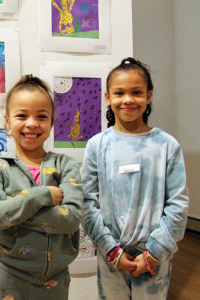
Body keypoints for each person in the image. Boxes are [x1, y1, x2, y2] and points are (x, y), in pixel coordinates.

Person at [81, 57, 189, 300]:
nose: (128, 99)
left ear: (148, 96)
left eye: (137, 92)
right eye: (119, 93)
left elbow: (178, 204)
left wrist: (155, 252)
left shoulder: (166, 146)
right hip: (112, 256)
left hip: (154, 258)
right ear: (108, 97)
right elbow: (86, 203)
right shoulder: (97, 146)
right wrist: (110, 249)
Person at [0, 74, 83, 300]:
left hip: (56, 279)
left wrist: (11, 210)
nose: (32, 123)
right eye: (22, 115)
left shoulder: (66, 165)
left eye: (42, 116)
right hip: (7, 278)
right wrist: (40, 196)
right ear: (7, 121)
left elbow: (72, 219)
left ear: (52, 121)